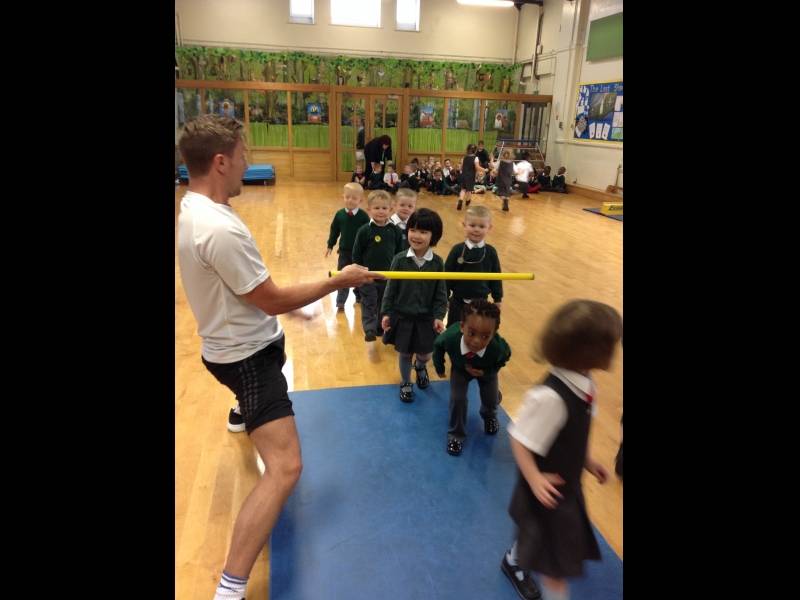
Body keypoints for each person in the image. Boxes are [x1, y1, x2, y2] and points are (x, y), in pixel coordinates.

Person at [177, 115, 379, 600]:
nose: (247, 163)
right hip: (246, 359)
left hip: (235, 344)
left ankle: (241, 412)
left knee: (260, 379)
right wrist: (339, 281)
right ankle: (230, 588)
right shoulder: (217, 229)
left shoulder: (196, 208)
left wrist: (286, 310)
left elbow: (247, 292)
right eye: (242, 155)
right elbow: (267, 298)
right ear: (220, 162)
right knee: (286, 467)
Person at [501, 299, 622, 600]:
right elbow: (519, 438)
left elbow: (572, 431)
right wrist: (534, 479)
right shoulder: (550, 398)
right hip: (547, 489)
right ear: (593, 351)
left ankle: (513, 559)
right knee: (554, 570)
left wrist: (586, 460)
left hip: (565, 484)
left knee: (537, 535)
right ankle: (517, 564)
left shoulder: (586, 384)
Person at [381, 208, 448, 403]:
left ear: (434, 236)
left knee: (425, 354)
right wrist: (386, 313)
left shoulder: (437, 263)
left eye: (423, 232)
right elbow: (390, 290)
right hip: (403, 316)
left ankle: (420, 366)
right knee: (404, 353)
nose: (416, 236)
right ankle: (405, 382)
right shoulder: (400, 260)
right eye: (413, 230)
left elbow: (441, 294)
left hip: (426, 318)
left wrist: (439, 316)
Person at [433, 299, 511, 456]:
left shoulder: (497, 348)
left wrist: (487, 372)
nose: (476, 341)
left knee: (491, 399)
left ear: (493, 335)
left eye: (485, 336)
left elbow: (505, 357)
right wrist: (440, 368)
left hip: (486, 370)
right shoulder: (451, 338)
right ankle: (456, 434)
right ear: (462, 326)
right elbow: (438, 346)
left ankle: (489, 416)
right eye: (472, 333)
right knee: (457, 399)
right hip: (460, 369)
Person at [352, 190, 405, 341]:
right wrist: (360, 273)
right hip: (367, 277)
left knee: (384, 303)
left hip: (387, 277)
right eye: (376, 208)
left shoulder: (395, 231)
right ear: (369, 209)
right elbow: (356, 254)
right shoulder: (364, 231)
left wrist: (396, 274)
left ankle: (380, 328)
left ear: (391, 209)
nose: (380, 211)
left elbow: (399, 254)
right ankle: (369, 329)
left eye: (384, 208)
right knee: (369, 303)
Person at [444, 204, 503, 328]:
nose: (476, 230)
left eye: (482, 226)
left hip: (481, 304)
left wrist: (498, 299)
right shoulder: (457, 250)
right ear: (464, 225)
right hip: (458, 303)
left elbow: (496, 277)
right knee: (453, 330)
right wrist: (444, 297)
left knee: (476, 331)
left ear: (489, 228)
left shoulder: (490, 252)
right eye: (472, 225)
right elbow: (447, 275)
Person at [326, 182, 371, 311]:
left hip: (360, 253)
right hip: (344, 252)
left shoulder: (363, 216)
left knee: (360, 275)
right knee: (342, 276)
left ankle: (359, 297)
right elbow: (334, 230)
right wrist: (330, 244)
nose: (350, 200)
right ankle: (340, 302)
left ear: (360, 200)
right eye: (347, 197)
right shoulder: (339, 214)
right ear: (343, 197)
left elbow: (368, 233)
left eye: (354, 198)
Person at [456, 144, 486, 211]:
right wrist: (484, 169)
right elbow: (477, 167)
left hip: (463, 175)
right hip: (470, 176)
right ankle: (467, 201)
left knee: (463, 189)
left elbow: (461, 168)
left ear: (467, 149)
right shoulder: (476, 158)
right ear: (475, 150)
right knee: (469, 190)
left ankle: (460, 201)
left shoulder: (464, 157)